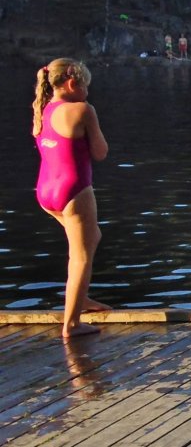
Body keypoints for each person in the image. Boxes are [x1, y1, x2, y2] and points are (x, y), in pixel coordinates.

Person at [33, 59, 111, 340]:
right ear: (71, 84)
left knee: (92, 238)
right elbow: (100, 152)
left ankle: (81, 298)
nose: (88, 93)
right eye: (86, 86)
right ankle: (72, 325)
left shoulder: (43, 108)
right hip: (74, 191)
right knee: (81, 256)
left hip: (45, 193)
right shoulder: (83, 110)